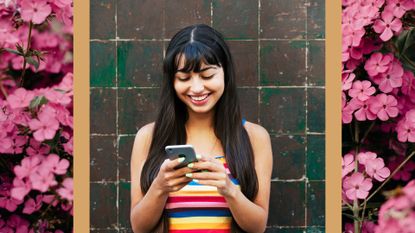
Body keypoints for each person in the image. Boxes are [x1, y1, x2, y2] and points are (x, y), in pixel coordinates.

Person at [130, 24, 273, 233]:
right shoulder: (148, 137)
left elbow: (258, 227)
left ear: (225, 73)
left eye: (207, 76)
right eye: (184, 78)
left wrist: (229, 189)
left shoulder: (254, 137)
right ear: (172, 81)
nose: (196, 88)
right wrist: (160, 187)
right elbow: (139, 228)